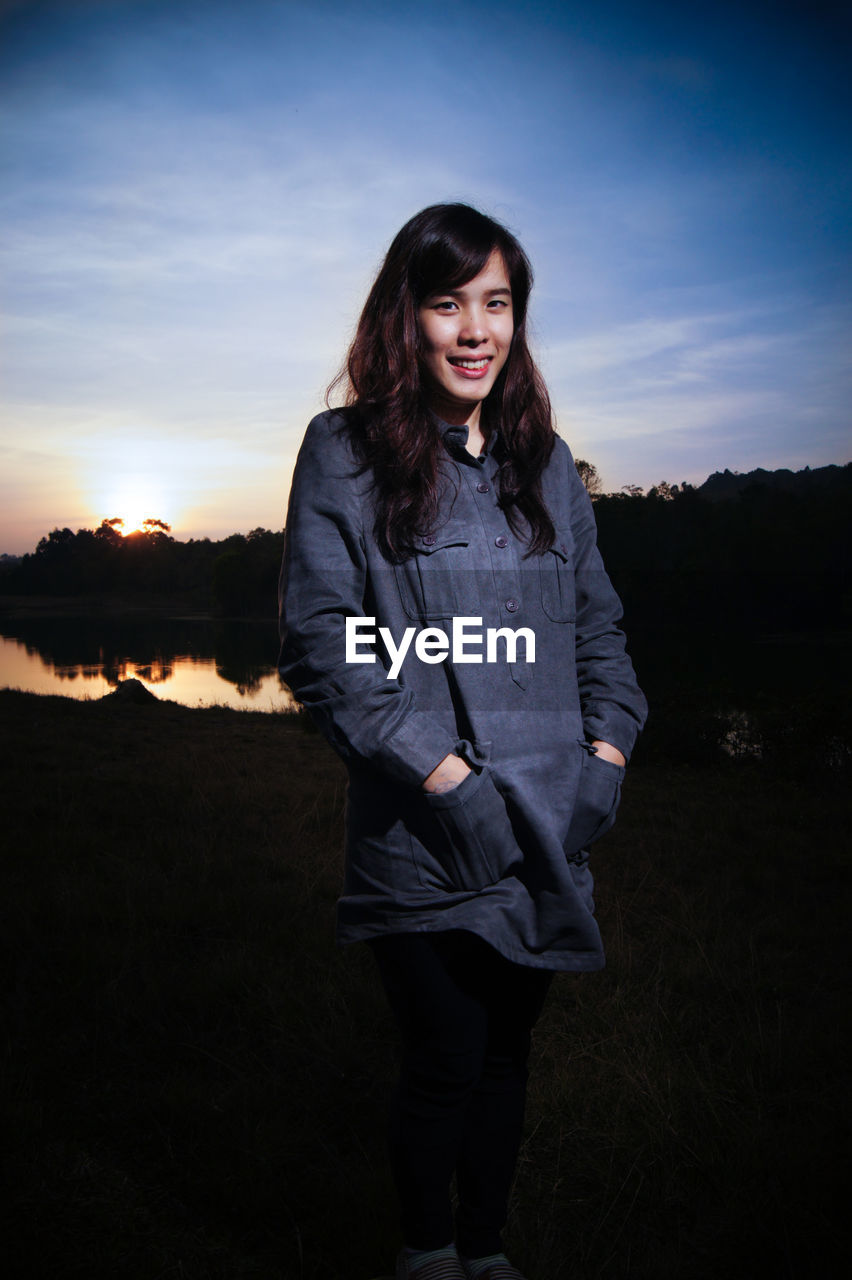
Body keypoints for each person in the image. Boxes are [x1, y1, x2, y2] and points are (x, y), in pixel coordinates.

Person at [278, 203, 647, 1280]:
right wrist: (449, 785)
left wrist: (606, 760)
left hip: (551, 824)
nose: (475, 329)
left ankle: (489, 1253)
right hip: (425, 838)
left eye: (496, 304)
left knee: (508, 1056)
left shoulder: (547, 462)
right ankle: (428, 1255)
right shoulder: (343, 451)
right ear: (407, 316)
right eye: (448, 303)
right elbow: (324, 646)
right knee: (444, 1057)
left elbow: (602, 630)